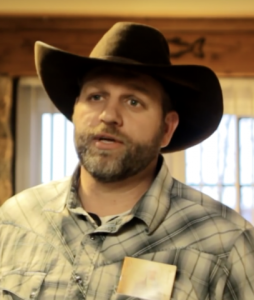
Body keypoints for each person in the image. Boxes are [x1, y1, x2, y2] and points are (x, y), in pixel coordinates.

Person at [0, 22, 254, 300]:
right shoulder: (14, 221)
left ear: (166, 129)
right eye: (96, 96)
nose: (109, 115)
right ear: (75, 110)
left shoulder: (226, 244)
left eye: (133, 101)